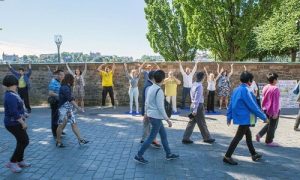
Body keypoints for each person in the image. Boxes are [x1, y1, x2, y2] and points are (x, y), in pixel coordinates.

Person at [134, 70, 179, 164]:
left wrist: (146, 113)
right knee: (151, 138)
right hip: (156, 117)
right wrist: (168, 119)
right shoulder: (159, 91)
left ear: (154, 78)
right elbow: (161, 107)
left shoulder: (150, 87)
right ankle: (139, 155)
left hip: (152, 116)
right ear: (163, 79)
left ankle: (168, 154)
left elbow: (146, 102)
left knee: (163, 135)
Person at [223, 71, 267, 165]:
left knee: (248, 135)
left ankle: (253, 153)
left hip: (241, 117)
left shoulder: (236, 89)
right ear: (250, 81)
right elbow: (253, 106)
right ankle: (227, 156)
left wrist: (229, 116)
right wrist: (264, 117)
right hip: (245, 118)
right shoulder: (247, 90)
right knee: (238, 137)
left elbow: (231, 104)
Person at [3, 75, 31, 173]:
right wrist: (23, 122)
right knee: (24, 141)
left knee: (22, 141)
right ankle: (12, 162)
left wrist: (24, 114)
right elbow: (14, 112)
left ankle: (20, 160)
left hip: (15, 122)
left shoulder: (13, 93)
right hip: (12, 123)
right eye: (16, 83)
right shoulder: (10, 96)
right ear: (14, 84)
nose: (17, 85)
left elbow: (18, 108)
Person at [56, 74, 89, 148]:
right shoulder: (64, 88)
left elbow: (71, 98)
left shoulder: (67, 87)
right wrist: (78, 107)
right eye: (73, 79)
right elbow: (70, 99)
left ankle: (80, 140)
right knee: (61, 125)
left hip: (69, 110)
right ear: (70, 80)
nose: (74, 81)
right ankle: (58, 141)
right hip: (63, 110)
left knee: (74, 124)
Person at [182, 72, 215, 144]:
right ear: (203, 78)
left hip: (193, 104)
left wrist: (193, 107)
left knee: (192, 122)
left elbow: (192, 96)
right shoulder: (200, 86)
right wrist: (195, 109)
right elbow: (197, 98)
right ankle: (207, 137)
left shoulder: (194, 84)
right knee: (202, 122)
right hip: (198, 106)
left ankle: (186, 138)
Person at [256, 73, 281, 147]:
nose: (277, 80)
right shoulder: (275, 89)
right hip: (273, 110)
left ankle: (259, 134)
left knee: (270, 124)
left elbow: (263, 97)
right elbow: (276, 102)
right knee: (273, 126)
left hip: (265, 109)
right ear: (274, 80)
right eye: (276, 79)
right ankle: (269, 141)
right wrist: (275, 112)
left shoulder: (266, 86)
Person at [140, 70, 161, 148]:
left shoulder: (149, 84)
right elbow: (148, 100)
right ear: (153, 78)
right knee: (152, 126)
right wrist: (146, 112)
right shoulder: (149, 86)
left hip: (148, 110)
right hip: (149, 110)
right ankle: (153, 141)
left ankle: (143, 139)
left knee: (146, 125)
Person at [48, 69, 65, 138]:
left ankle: (59, 130)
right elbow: (50, 93)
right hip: (55, 103)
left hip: (60, 102)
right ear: (57, 75)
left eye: (63, 75)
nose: (62, 76)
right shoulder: (53, 82)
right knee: (55, 118)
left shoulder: (61, 82)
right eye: (61, 75)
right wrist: (59, 95)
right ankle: (55, 133)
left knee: (60, 117)